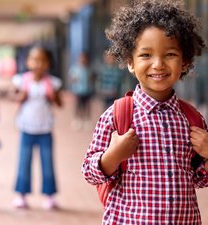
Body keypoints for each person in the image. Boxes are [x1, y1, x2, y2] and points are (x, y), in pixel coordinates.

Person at [82, 0, 208, 224]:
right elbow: (90, 173)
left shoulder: (192, 119)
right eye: (146, 55)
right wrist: (113, 155)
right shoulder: (117, 115)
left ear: (185, 62)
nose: (158, 64)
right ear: (130, 62)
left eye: (170, 54)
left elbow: (200, 179)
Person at [11, 45, 62, 210]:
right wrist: (21, 96)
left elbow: (60, 104)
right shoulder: (21, 80)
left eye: (42, 60)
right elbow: (15, 98)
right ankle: (21, 195)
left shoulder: (52, 82)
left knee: (47, 163)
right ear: (27, 62)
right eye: (34, 60)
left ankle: (49, 196)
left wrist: (53, 96)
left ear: (48, 63)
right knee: (24, 162)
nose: (38, 63)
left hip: (45, 129)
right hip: (26, 128)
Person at [68, 52, 95, 130]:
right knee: (78, 106)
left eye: (84, 58)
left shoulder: (90, 69)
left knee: (87, 106)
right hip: (78, 91)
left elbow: (93, 77)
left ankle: (86, 120)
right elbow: (71, 78)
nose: (83, 60)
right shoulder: (75, 68)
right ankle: (77, 120)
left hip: (87, 90)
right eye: (81, 58)